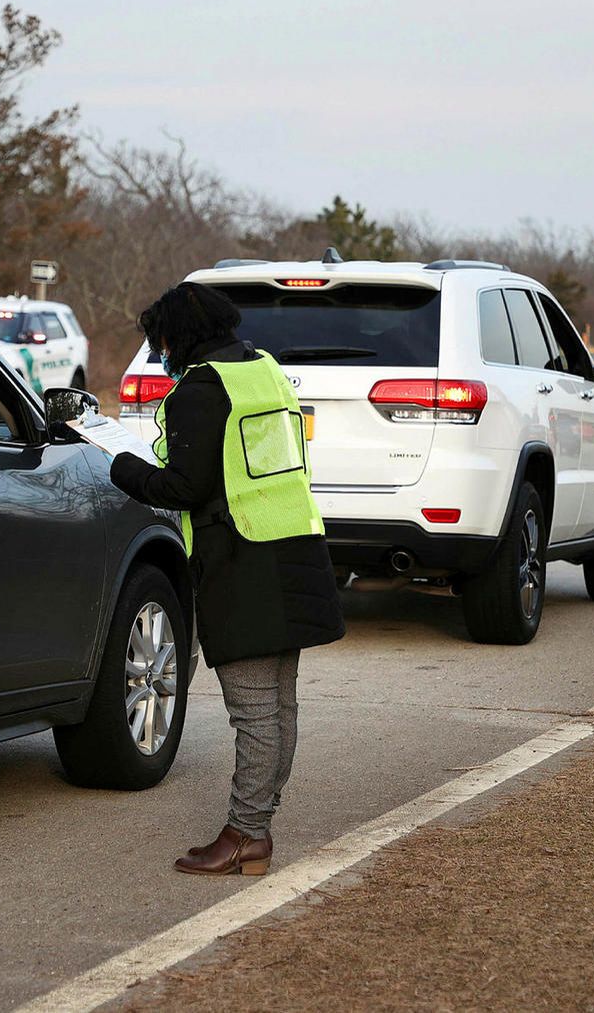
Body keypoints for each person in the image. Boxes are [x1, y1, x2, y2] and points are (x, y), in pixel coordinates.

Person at [108, 282, 344, 876]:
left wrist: (120, 466)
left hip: (243, 560)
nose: (159, 351)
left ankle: (247, 833)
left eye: (159, 339)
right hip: (293, 544)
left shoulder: (200, 389)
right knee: (279, 705)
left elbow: (184, 487)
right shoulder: (262, 371)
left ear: (176, 336)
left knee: (253, 711)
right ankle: (256, 824)